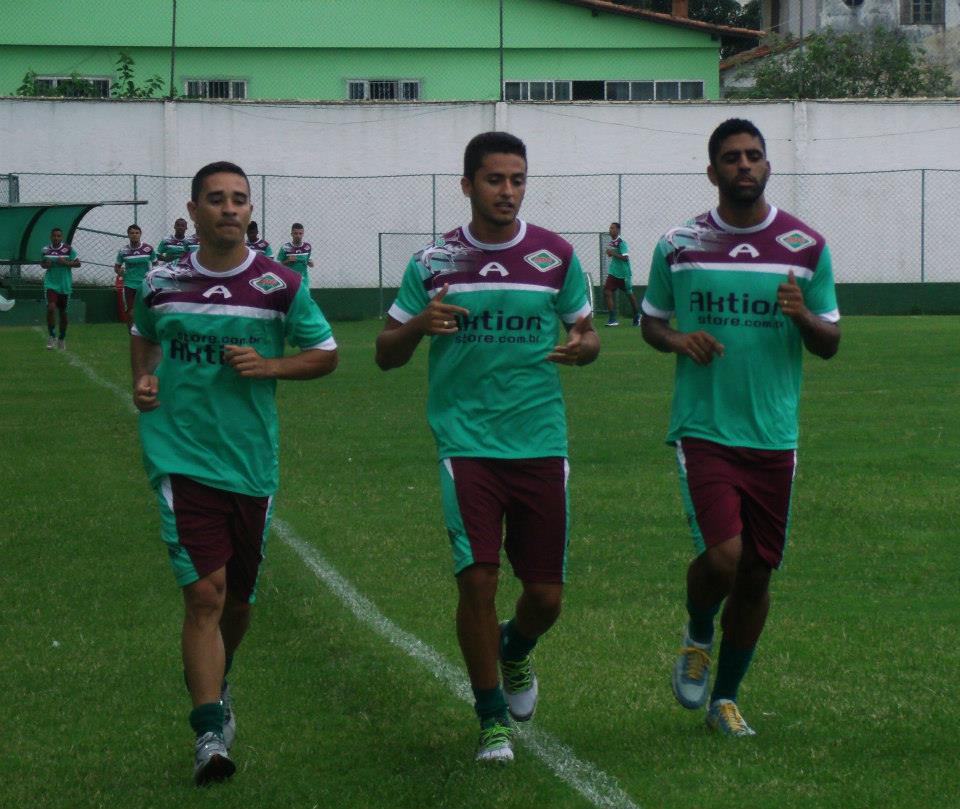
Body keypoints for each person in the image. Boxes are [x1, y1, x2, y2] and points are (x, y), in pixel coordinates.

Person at [375, 132, 599, 764]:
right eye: (496, 179)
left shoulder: (555, 255)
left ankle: (517, 649)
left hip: (538, 439)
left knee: (546, 599)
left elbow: (585, 333)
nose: (508, 191)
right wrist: (420, 324)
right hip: (465, 442)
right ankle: (491, 718)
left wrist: (584, 347)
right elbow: (384, 354)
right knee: (476, 580)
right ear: (467, 184)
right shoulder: (434, 262)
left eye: (518, 179)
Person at [130, 161, 338, 785]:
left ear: (251, 211)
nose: (228, 208)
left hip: (249, 463)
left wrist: (270, 367)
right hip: (180, 455)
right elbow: (144, 333)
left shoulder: (279, 283)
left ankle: (219, 680)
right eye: (215, 199)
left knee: (238, 604)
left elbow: (326, 354)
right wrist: (143, 377)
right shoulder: (161, 278)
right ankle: (209, 736)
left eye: (239, 200)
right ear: (193, 211)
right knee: (205, 595)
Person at [639, 118, 840, 737]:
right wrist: (679, 339)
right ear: (712, 171)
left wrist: (803, 315)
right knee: (723, 558)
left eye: (754, 156)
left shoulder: (806, 246)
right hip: (705, 428)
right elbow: (651, 323)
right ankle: (700, 629)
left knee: (756, 571)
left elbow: (830, 340)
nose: (744, 166)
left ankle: (725, 698)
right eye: (731, 158)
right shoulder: (679, 244)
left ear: (768, 167)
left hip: (775, 435)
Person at [40, 227, 80, 349]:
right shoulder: (45, 249)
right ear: (50, 237)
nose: (56, 238)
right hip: (50, 283)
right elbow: (42, 264)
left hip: (64, 285)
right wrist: (46, 264)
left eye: (58, 236)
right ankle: (52, 336)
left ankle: (62, 338)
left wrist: (66, 263)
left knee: (63, 313)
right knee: (51, 308)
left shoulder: (69, 249)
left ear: (61, 237)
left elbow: (78, 263)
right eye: (54, 236)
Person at [114, 225, 156, 326]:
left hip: (145, 284)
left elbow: (156, 264)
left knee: (146, 309)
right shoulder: (123, 251)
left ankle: (146, 333)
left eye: (137, 233)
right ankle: (132, 334)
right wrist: (119, 271)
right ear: (128, 235)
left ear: (140, 234)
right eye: (132, 233)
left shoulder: (148, 249)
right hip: (129, 284)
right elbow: (117, 267)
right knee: (131, 311)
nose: (134, 235)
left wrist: (153, 275)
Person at [603, 222, 639, 327]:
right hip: (613, 273)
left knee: (629, 295)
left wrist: (613, 253)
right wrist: (609, 253)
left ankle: (637, 316)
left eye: (612, 228)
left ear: (618, 230)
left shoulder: (622, 242)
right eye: (609, 228)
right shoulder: (611, 243)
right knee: (606, 291)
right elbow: (612, 255)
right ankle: (613, 318)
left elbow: (625, 258)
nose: (610, 230)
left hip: (624, 274)